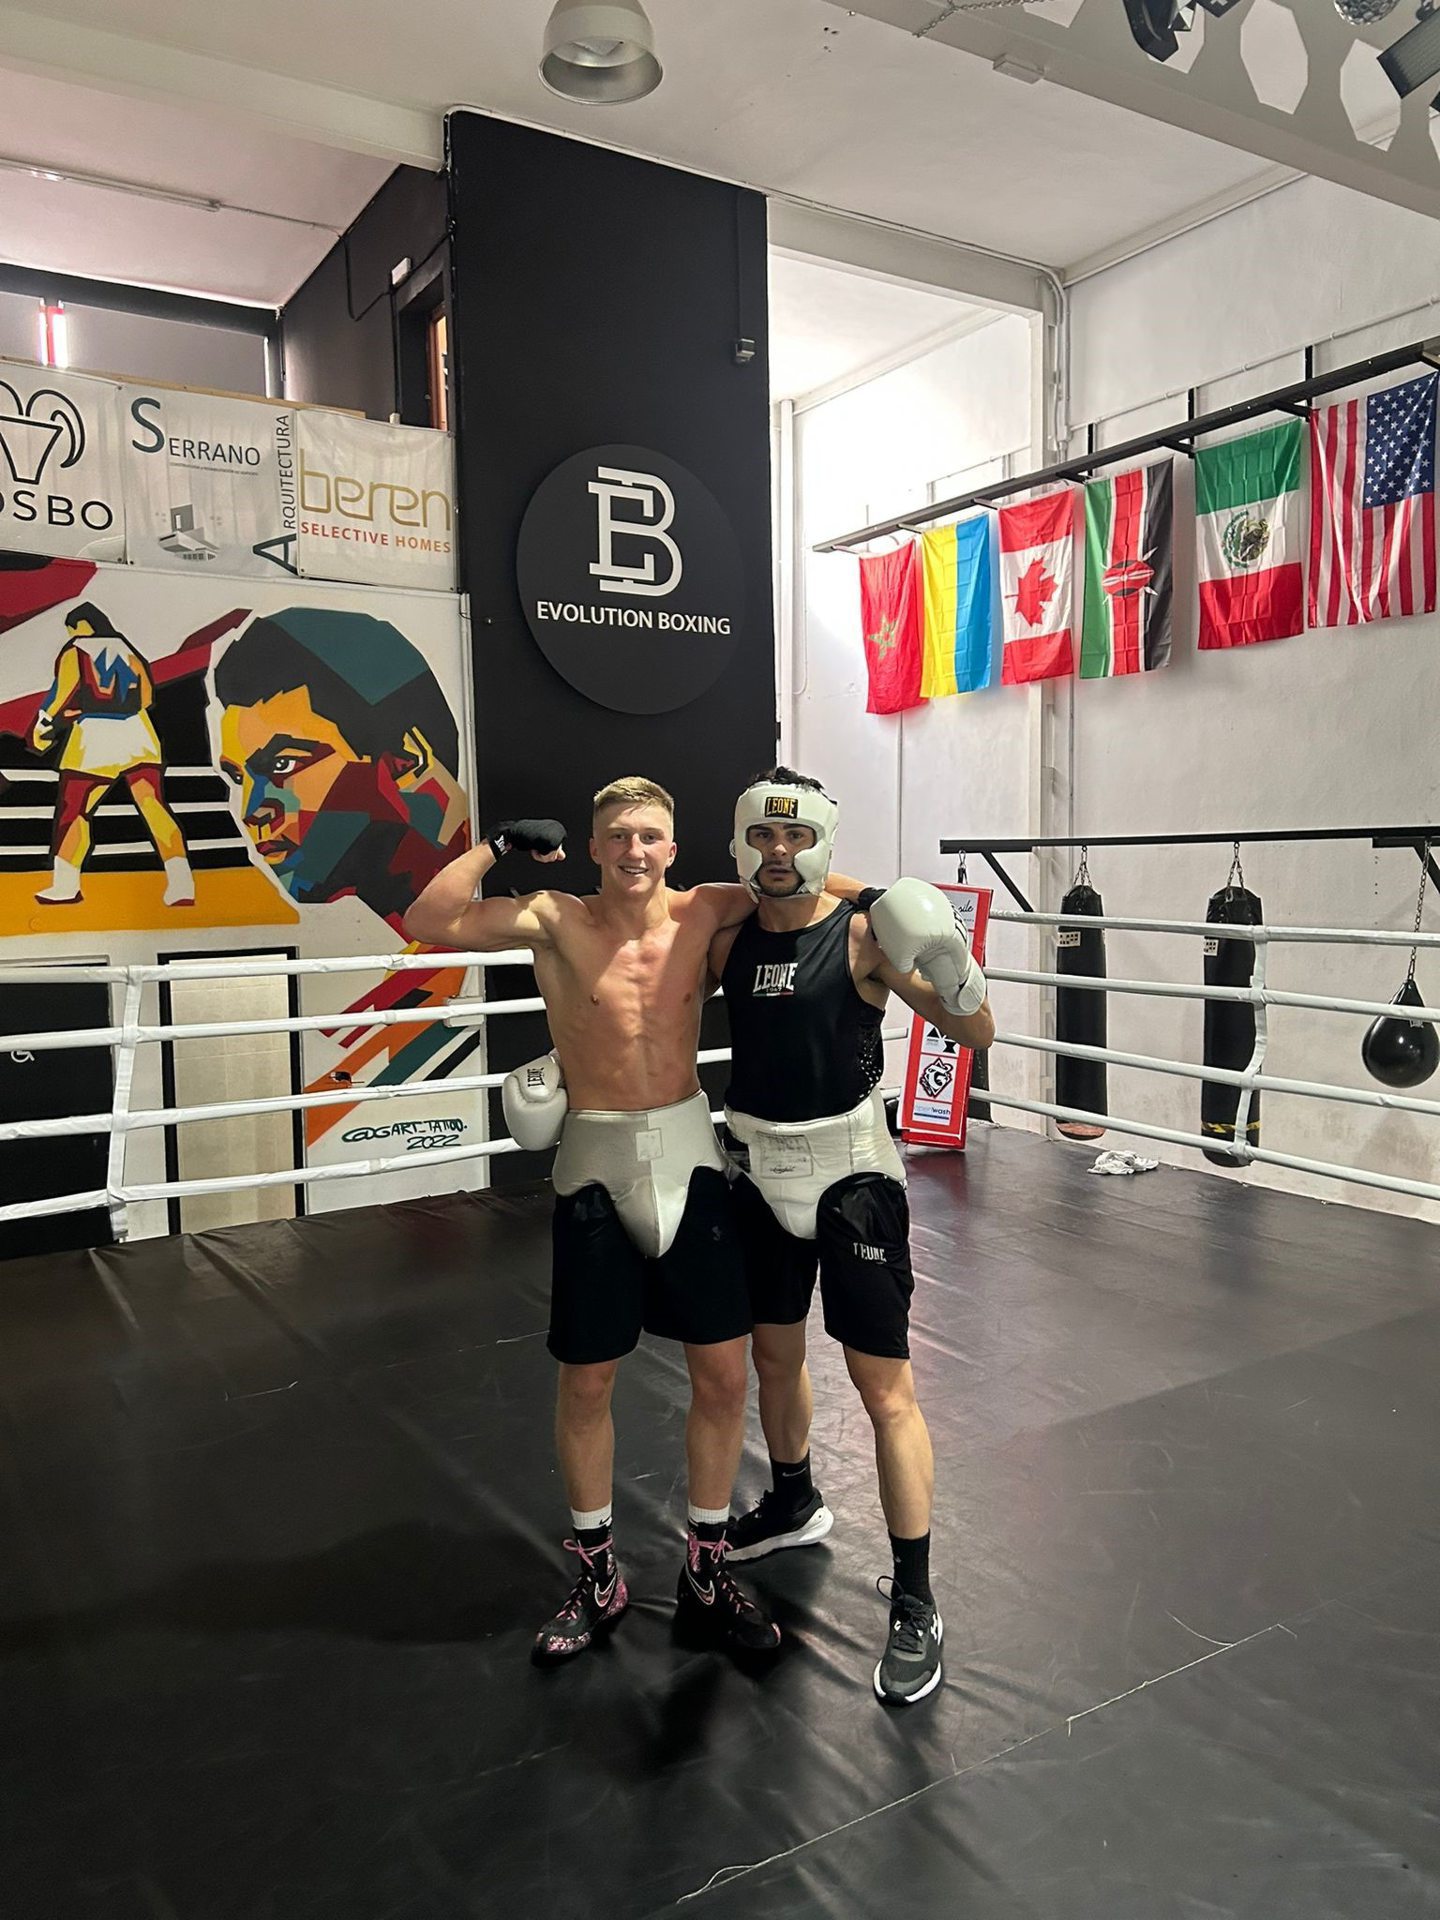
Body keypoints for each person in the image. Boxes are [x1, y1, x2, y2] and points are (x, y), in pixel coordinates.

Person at [403, 777, 792, 1664]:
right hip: (595, 1162)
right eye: (617, 834)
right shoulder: (554, 918)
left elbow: (803, 888)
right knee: (585, 1383)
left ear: (673, 846)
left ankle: (704, 1567)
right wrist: (497, 843)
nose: (634, 850)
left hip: (690, 1155)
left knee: (725, 1377)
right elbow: (429, 918)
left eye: (650, 835)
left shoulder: (708, 910)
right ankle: (598, 1576)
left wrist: (886, 900)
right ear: (591, 845)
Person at [708, 767, 995, 1706]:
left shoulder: (868, 938)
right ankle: (794, 1497)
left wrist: (954, 965)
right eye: (764, 837)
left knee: (885, 1390)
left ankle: (916, 1597)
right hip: (756, 1168)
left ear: (820, 840)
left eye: (796, 839)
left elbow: (978, 1031)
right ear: (746, 841)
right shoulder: (729, 938)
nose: (778, 854)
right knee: (774, 1361)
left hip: (852, 1178)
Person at [213, 608, 470, 932]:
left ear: (402, 759)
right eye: (238, 778)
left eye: (283, 764)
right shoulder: (439, 948)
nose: (252, 811)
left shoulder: (491, 923)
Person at [31, 601, 194, 908]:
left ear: (79, 625)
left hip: (94, 737)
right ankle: (181, 881)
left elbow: (63, 692)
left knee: (75, 809)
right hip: (138, 734)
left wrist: (44, 726)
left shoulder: (76, 649)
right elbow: (146, 697)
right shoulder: (127, 649)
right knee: (153, 806)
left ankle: (66, 885)